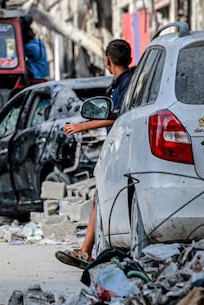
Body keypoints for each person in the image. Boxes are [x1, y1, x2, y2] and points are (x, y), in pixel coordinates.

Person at [55, 39, 134, 269]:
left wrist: (82, 126)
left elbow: (118, 116)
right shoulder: (122, 82)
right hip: (120, 147)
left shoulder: (125, 84)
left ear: (107, 60)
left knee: (104, 196)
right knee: (101, 197)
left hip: (123, 148)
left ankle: (87, 251)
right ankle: (89, 250)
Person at [22, 16, 49, 81]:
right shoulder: (39, 43)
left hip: (36, 76)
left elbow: (15, 53)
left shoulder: (29, 47)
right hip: (43, 74)